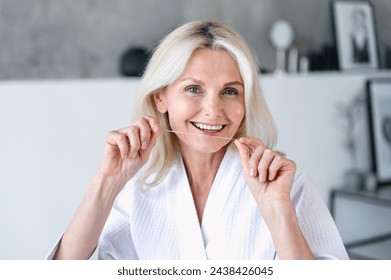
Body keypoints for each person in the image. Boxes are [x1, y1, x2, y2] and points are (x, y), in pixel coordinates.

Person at [48, 21, 348, 260]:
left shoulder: (286, 185)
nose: (214, 110)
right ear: (161, 98)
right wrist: (107, 182)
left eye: (230, 91)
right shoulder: (135, 191)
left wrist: (279, 211)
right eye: (193, 89)